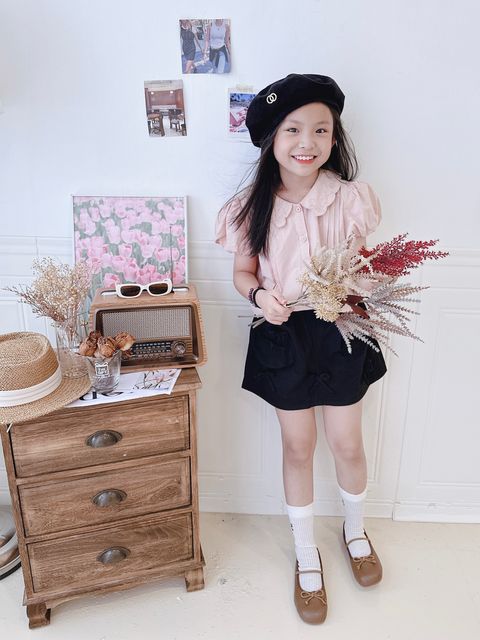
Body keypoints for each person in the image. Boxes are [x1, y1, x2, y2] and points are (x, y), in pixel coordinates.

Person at [215, 74, 387, 625]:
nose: (306, 142)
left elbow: (363, 261)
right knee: (298, 446)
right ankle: (305, 552)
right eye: (292, 129)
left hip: (341, 330)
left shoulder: (350, 198)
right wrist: (260, 295)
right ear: (272, 137)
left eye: (320, 129)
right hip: (284, 332)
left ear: (334, 137)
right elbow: (243, 273)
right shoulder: (249, 207)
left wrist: (360, 284)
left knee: (347, 442)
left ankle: (355, 532)